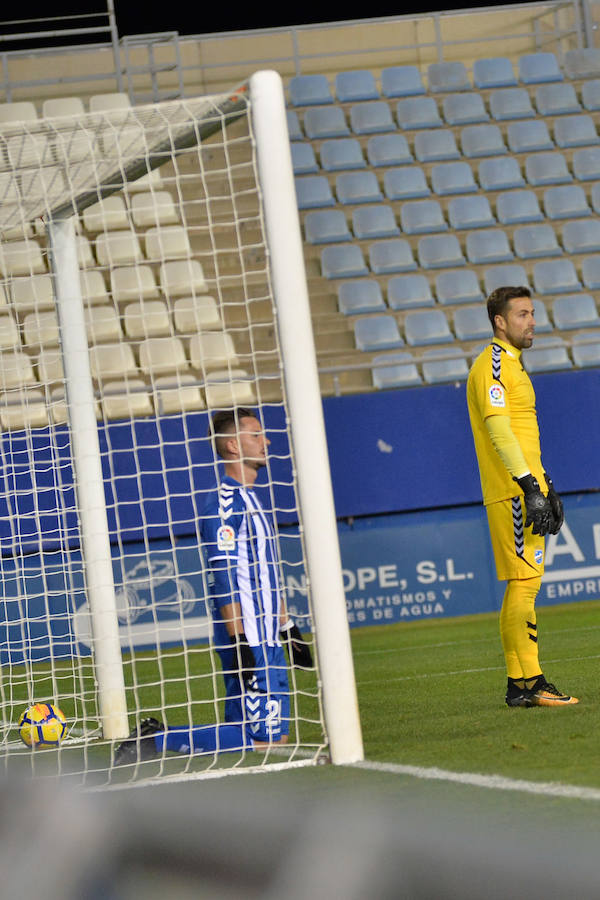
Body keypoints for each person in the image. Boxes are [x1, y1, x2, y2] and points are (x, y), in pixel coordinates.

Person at [115, 407, 313, 765]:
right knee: (261, 741)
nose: (266, 441)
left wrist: (288, 627)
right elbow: (222, 578)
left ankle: (158, 739)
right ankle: (158, 740)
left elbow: (261, 572)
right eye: (256, 434)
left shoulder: (252, 499)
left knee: (275, 736)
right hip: (247, 636)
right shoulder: (223, 505)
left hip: (267, 635)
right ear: (234, 446)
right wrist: (238, 639)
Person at [466, 286, 578, 708]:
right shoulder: (493, 365)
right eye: (523, 314)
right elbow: (498, 431)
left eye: (533, 313)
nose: (532, 321)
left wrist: (546, 483)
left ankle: (521, 685)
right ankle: (531, 683)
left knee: (522, 585)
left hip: (525, 487)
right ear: (500, 321)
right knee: (525, 586)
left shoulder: (512, 365)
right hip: (514, 492)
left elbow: (522, 436)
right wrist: (530, 488)